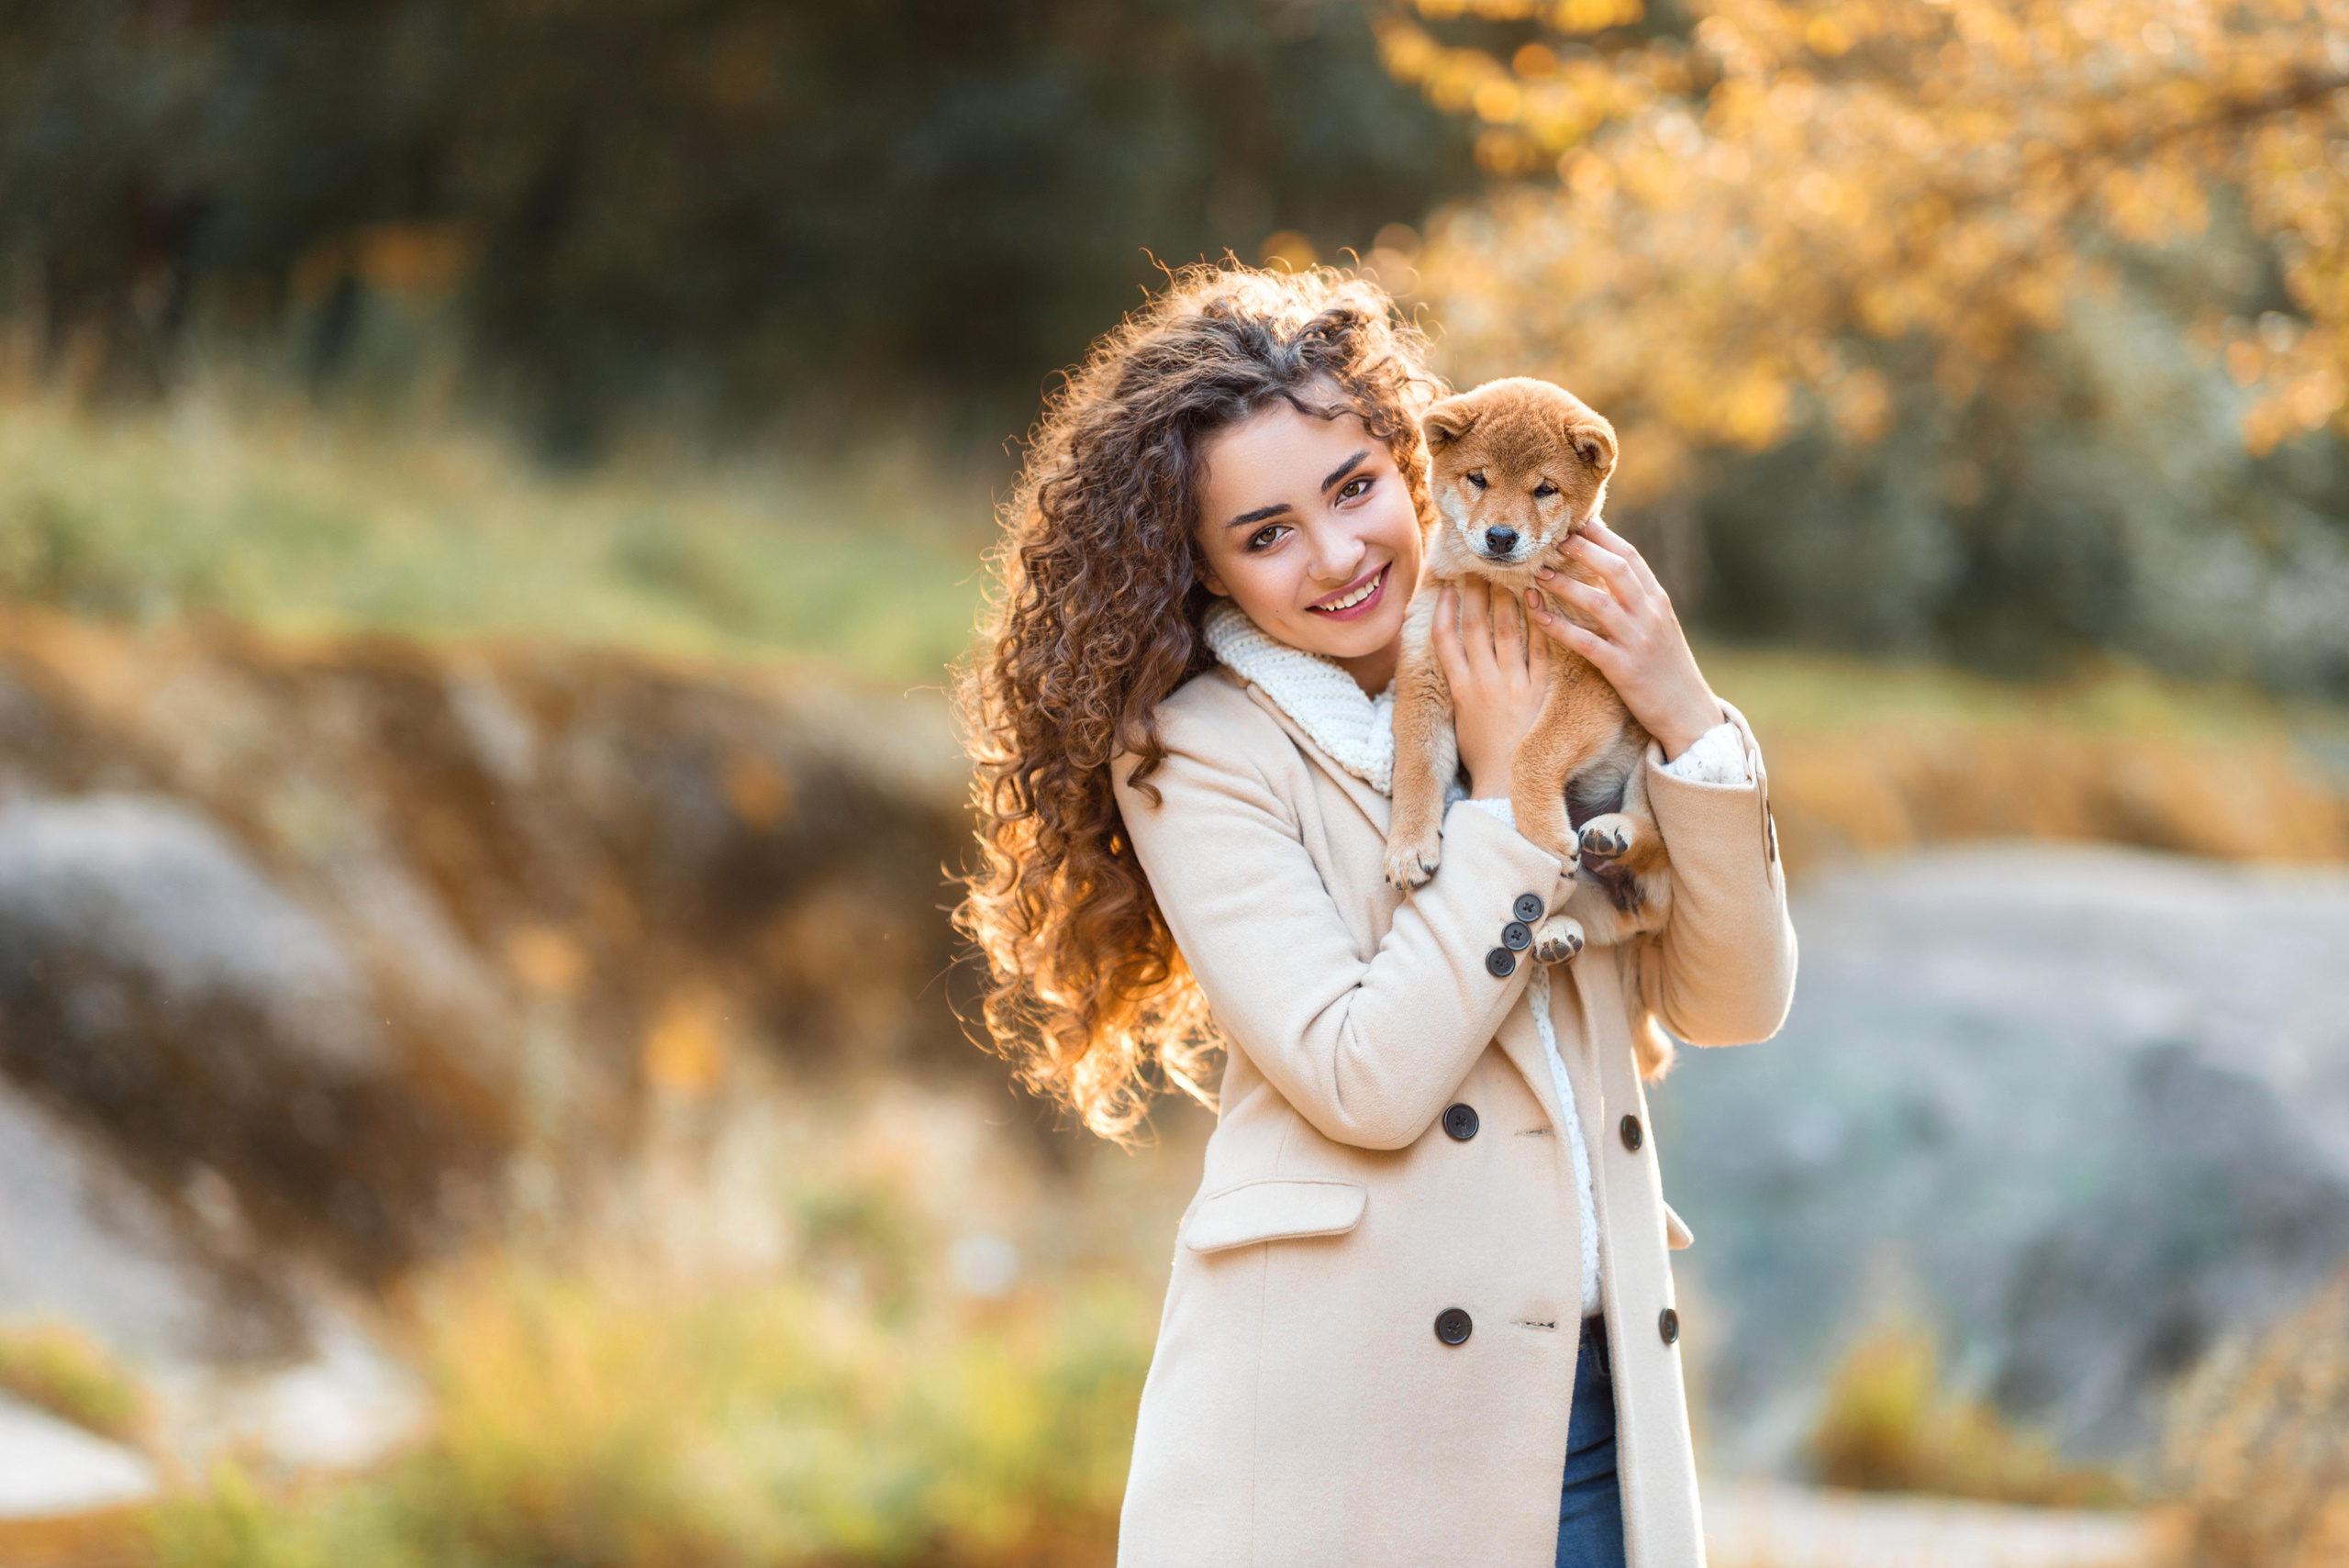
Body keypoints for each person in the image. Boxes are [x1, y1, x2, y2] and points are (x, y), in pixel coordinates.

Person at [956, 262, 1796, 1567]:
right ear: (1204, 566)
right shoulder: (1195, 751)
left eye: (1354, 489)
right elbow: (1363, 1077)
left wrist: (1685, 716)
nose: (1340, 554)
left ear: (1416, 462)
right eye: (1266, 531)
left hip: (1592, 1406)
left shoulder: (1545, 667)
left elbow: (1736, 1004)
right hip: (1339, 1445)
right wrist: (1513, 800)